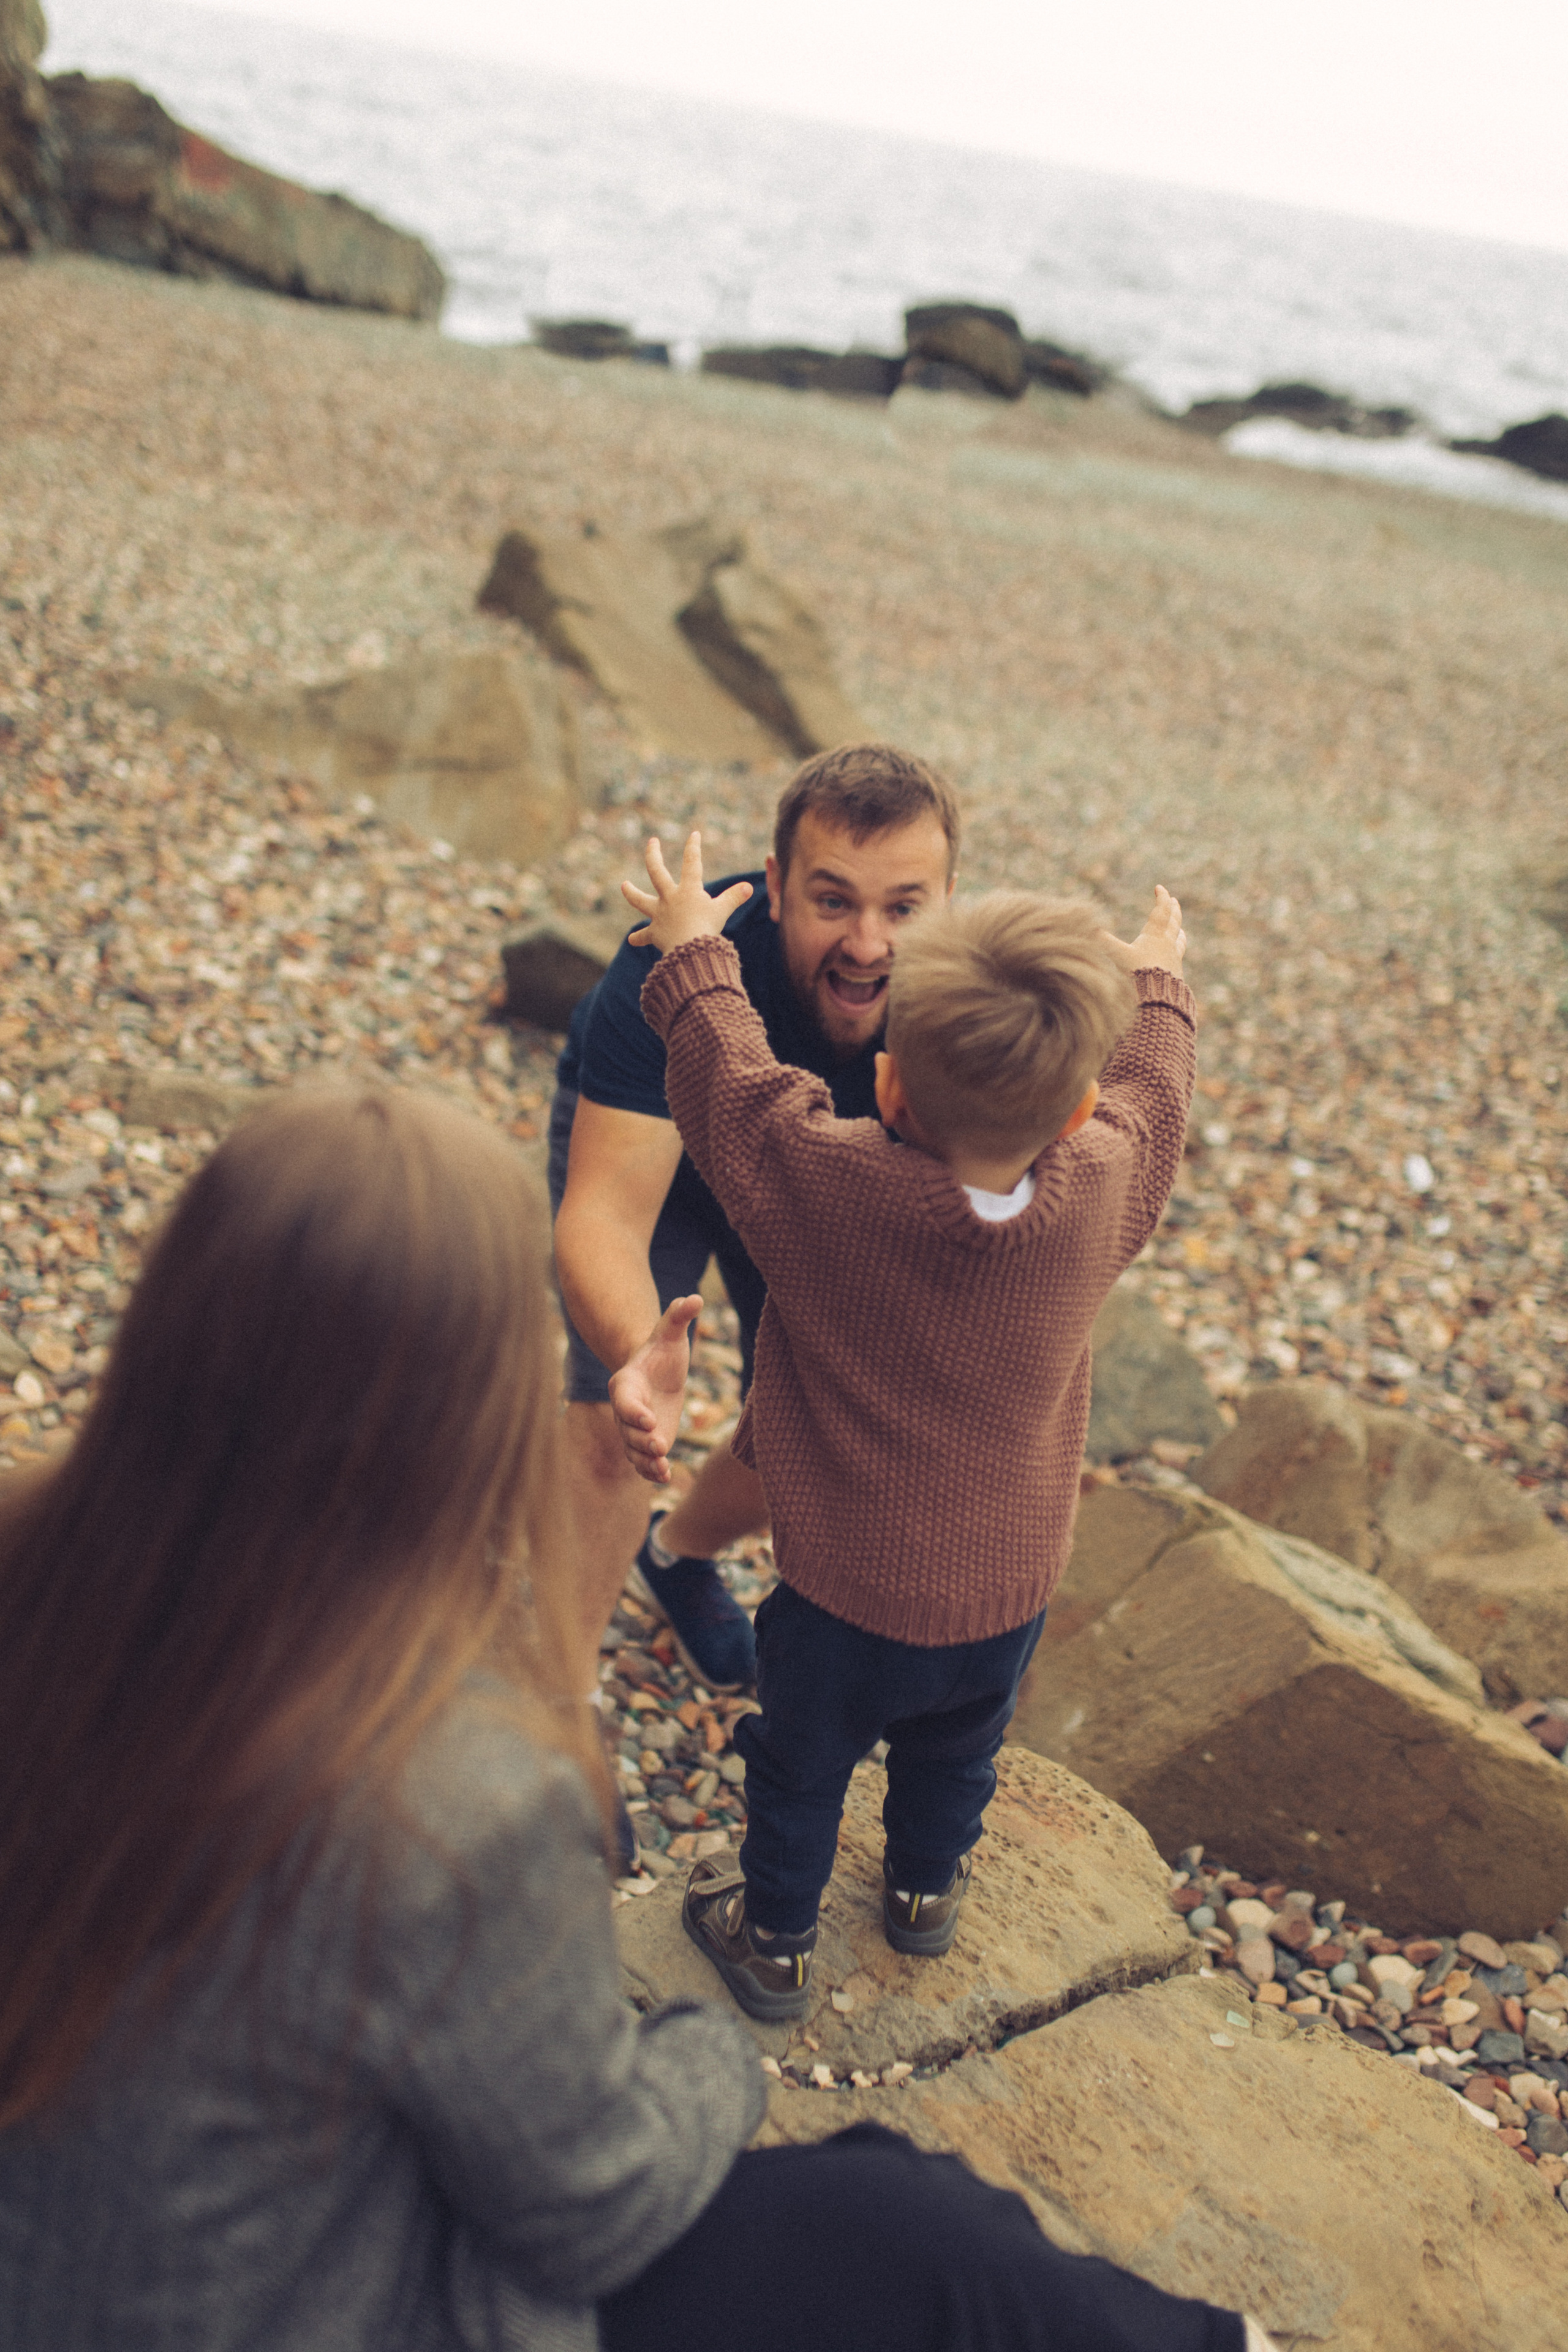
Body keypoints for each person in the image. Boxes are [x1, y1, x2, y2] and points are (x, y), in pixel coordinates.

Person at [0, 1082, 1269, 2352]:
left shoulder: (35, 1573)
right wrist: (701, 2051)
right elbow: (589, 2207)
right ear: (475, 1402)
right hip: (308, 2309)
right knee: (907, 2224)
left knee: (889, 2211)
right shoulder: (455, 1793)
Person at [618, 836, 1196, 2022]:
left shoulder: (824, 1183)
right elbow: (1156, 1100)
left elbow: (734, 1093)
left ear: (887, 1088)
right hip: (1005, 1595)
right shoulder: (1105, 1183)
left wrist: (693, 952)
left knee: (798, 1769)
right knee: (956, 1754)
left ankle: (775, 1941)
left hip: (841, 1596)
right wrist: (1157, 988)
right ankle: (925, 1894)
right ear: (1075, 1106)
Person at [549, 743, 958, 1700]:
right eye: (833, 901)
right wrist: (638, 1352)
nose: (868, 945)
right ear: (775, 887)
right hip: (657, 1151)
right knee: (615, 1420)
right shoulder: (671, 961)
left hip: (806, 1177)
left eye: (904, 908)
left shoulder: (966, 1005)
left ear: (950, 901)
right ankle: (557, 1708)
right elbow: (605, 1213)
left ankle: (677, 1554)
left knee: (819, 1419)